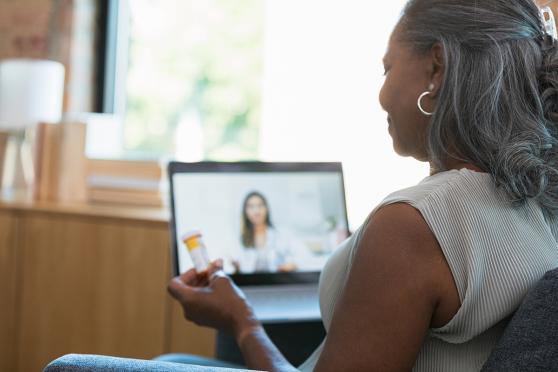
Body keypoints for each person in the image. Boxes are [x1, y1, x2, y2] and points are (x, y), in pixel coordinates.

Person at [167, 0, 558, 370]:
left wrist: (242, 322)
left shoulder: (413, 226)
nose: (381, 95)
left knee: (170, 363)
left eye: (387, 69)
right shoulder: (536, 201)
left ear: (436, 69)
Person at [230, 191, 298, 273]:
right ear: (245, 211)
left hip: (277, 282)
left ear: (267, 208)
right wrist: (236, 267)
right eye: (251, 206)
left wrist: (291, 265)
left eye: (260, 205)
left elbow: (297, 259)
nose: (256, 211)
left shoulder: (282, 235)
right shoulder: (240, 239)